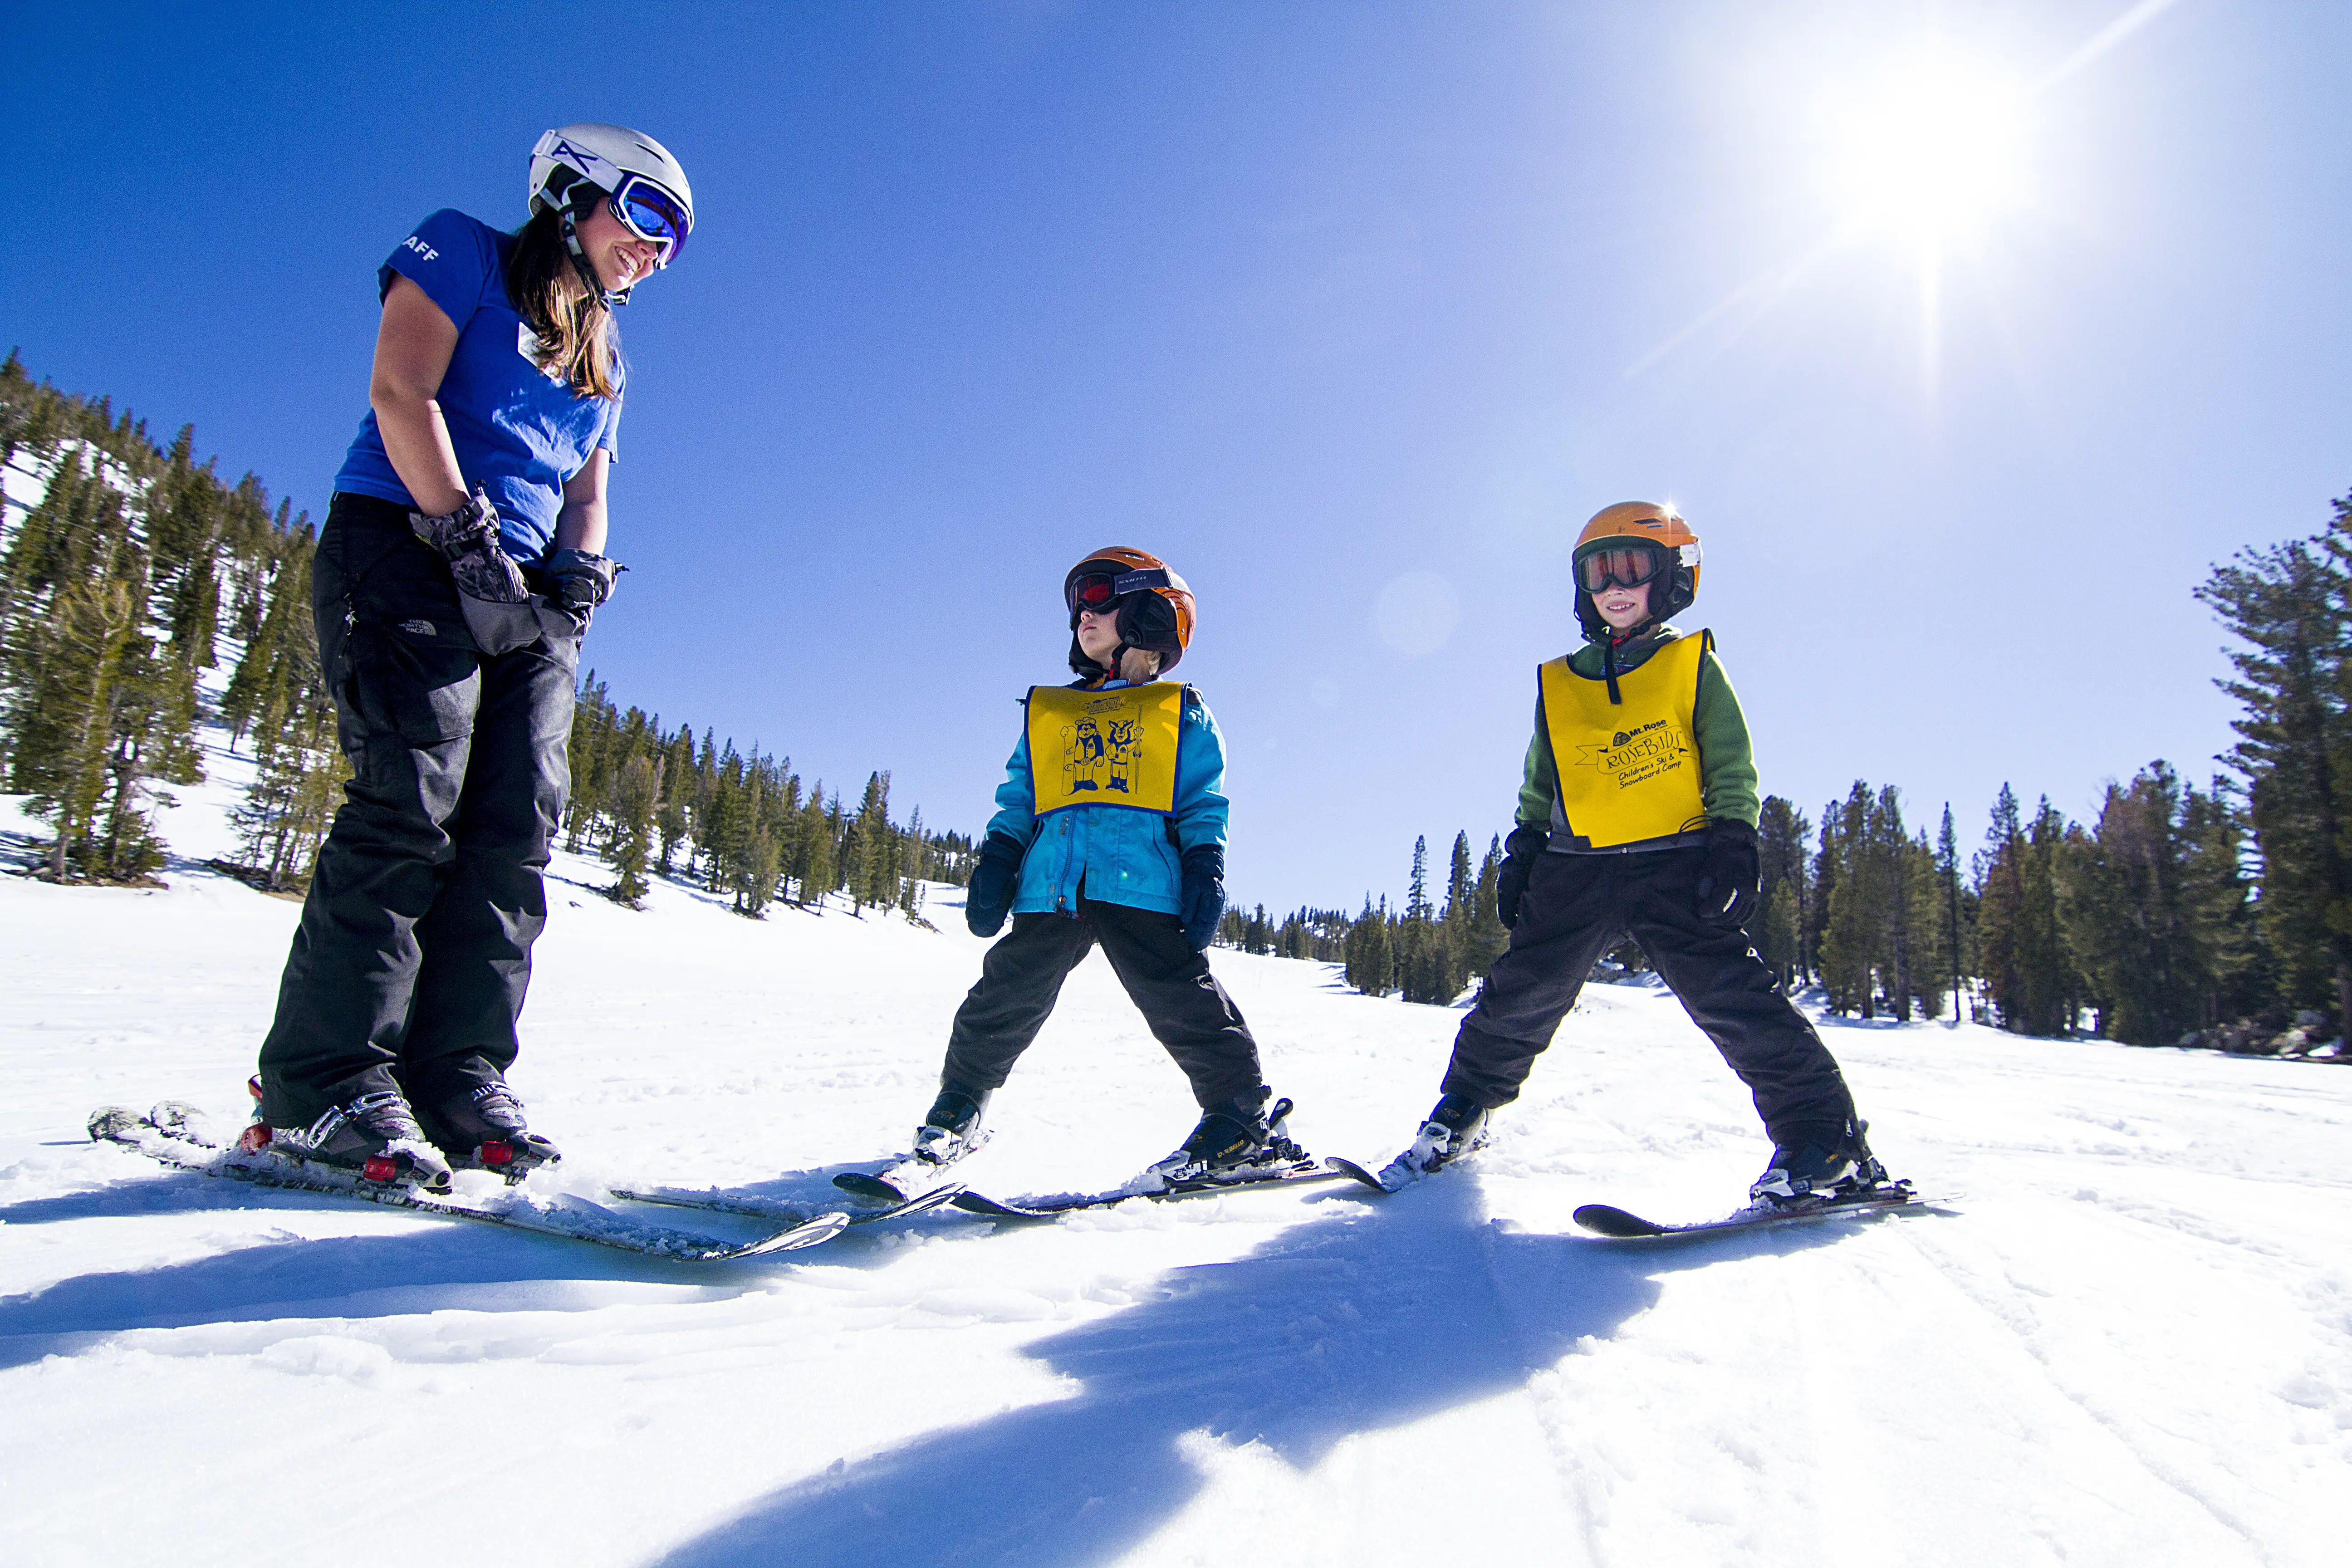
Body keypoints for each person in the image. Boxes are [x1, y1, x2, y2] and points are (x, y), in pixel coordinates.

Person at [244, 124, 696, 1191]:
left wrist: (577, 582)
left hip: (526, 590)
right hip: (406, 542)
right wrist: (458, 531)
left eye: (675, 241)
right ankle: (325, 1082)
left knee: (513, 829)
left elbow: (587, 494)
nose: (656, 252)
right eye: (647, 217)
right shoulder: (466, 251)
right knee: (409, 805)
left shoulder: (606, 355)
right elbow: (401, 390)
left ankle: (456, 1074)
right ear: (572, 191)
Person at [1386, 501, 1888, 1203]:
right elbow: (1543, 773)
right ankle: (1463, 1110)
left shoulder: (1691, 664)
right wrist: (1526, 844)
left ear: (1673, 578)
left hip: (1675, 861)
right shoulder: (1560, 682)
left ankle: (1824, 1142)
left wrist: (1735, 836)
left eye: (1632, 569)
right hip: (1576, 864)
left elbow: (1730, 760)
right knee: (1519, 994)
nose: (1614, 587)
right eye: (1599, 573)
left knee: (1735, 999)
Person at [901, 547, 1296, 1187]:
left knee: (1178, 998)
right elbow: (1021, 793)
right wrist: (1000, 854)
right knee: (1004, 993)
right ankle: (959, 1107)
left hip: (1139, 881)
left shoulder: (1179, 711)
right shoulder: (1053, 713)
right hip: (1054, 883)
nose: (1082, 613)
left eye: (1099, 597)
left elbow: (1203, 800)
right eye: (1076, 602)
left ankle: (1242, 1118)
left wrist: (1205, 862)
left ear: (1148, 613)